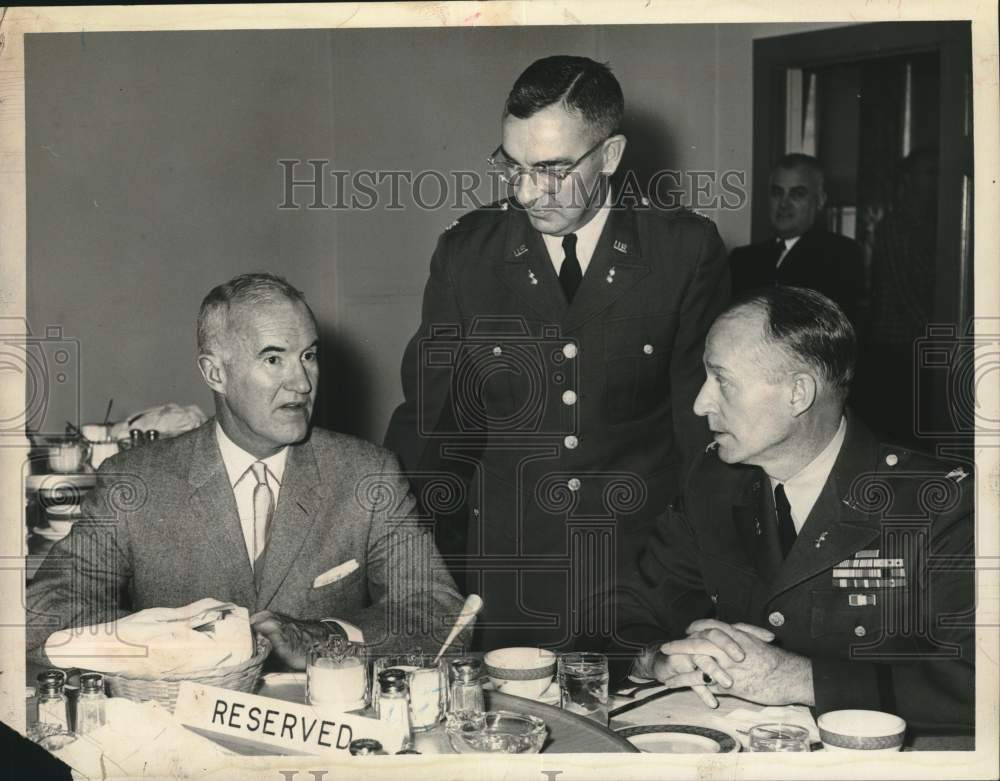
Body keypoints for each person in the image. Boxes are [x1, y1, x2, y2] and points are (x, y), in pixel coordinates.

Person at [384, 55, 730, 650]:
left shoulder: (683, 251)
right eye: (512, 166)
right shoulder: (468, 254)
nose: (526, 192)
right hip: (509, 576)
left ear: (610, 156)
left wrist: (711, 576)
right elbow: (430, 428)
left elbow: (702, 433)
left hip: (642, 577)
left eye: (551, 169)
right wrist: (391, 555)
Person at [27, 273, 468, 667]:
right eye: (273, 359)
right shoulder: (136, 482)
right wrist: (171, 642)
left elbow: (440, 611)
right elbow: (43, 611)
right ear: (215, 373)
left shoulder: (367, 474)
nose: (301, 382)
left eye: (309, 356)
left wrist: (328, 636)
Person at [607, 286, 974, 738]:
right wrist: (658, 658)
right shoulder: (715, 481)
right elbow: (624, 609)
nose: (701, 403)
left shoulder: (939, 503)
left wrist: (797, 679)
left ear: (798, 393)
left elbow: (980, 679)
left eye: (722, 381)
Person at [729, 154, 865, 326]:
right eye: (777, 193)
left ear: (820, 201)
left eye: (797, 194)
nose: (784, 204)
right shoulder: (742, 259)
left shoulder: (840, 255)